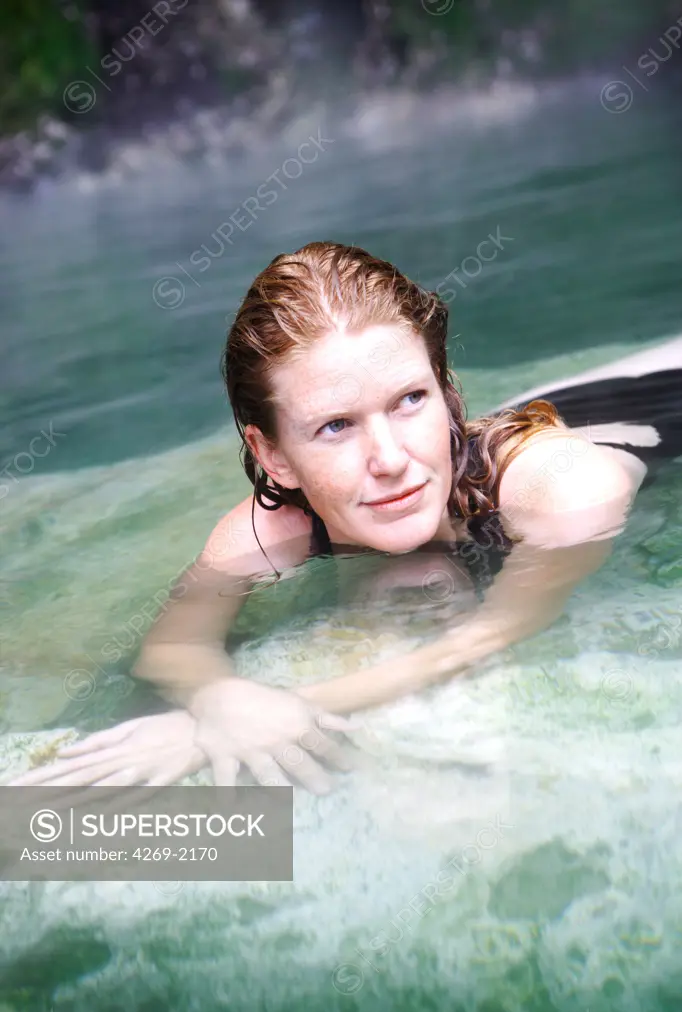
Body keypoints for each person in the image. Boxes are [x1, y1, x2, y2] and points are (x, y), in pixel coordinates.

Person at [10, 241, 646, 793]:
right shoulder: (265, 531)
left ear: (447, 392)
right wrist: (218, 695)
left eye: (410, 400)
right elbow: (174, 646)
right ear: (274, 455)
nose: (391, 459)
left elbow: (488, 636)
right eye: (337, 425)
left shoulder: (565, 487)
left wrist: (228, 727)